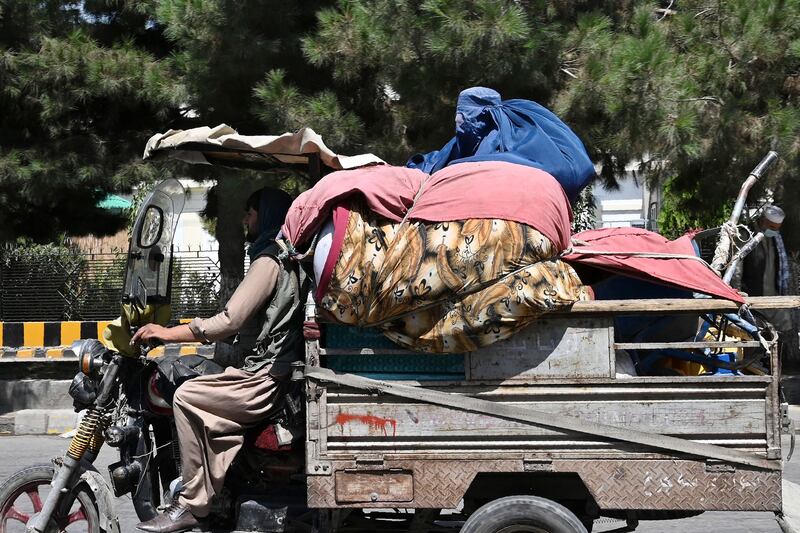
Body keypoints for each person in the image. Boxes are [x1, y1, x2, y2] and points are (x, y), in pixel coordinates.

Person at [131, 186, 307, 533]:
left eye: (251, 213)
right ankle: (221, 487)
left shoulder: (269, 260)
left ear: (267, 215)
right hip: (267, 372)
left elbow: (228, 321)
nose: (245, 220)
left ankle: (192, 505)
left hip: (265, 379)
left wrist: (166, 332)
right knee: (205, 385)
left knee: (186, 395)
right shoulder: (279, 255)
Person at [739, 204, 793, 339]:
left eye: (777, 229)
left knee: (784, 330)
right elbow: (737, 269)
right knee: (752, 334)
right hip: (753, 297)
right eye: (772, 227)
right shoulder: (746, 234)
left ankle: (779, 359)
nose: (775, 231)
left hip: (773, 296)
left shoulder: (776, 238)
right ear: (763, 221)